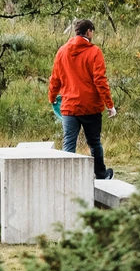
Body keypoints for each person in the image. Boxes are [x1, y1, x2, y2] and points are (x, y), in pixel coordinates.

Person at [48, 19, 116, 180]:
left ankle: (67, 178)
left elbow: (55, 79)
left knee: (69, 144)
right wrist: (110, 105)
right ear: (89, 32)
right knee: (94, 143)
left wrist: (52, 97)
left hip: (69, 107)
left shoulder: (62, 51)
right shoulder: (94, 52)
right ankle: (101, 174)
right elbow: (100, 81)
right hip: (90, 107)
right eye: (93, 31)